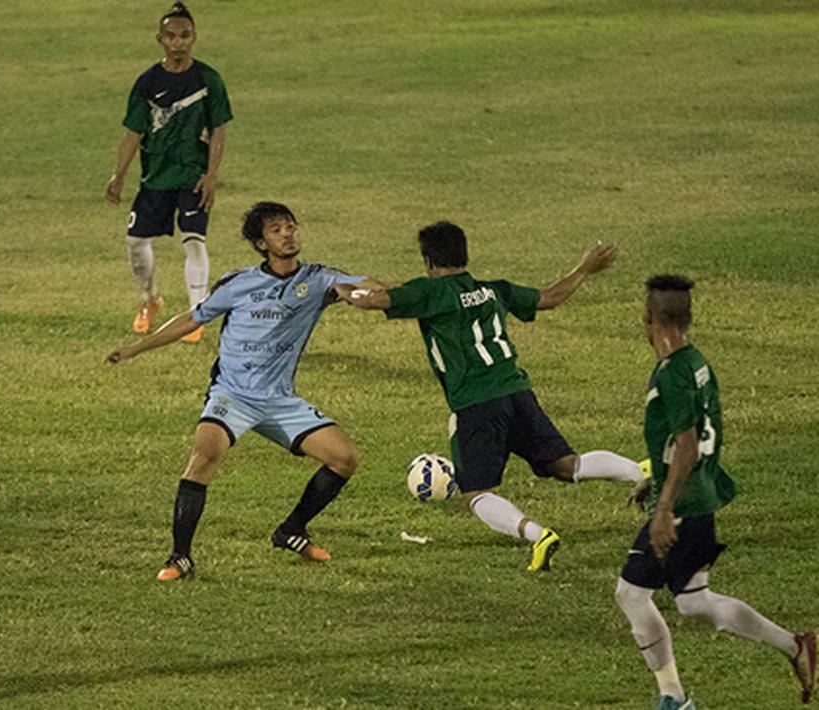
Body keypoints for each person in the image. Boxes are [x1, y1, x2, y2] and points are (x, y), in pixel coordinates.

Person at [336, 221, 645, 572]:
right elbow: (550, 298)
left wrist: (337, 287)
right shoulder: (494, 290)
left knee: (476, 493)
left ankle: (538, 535)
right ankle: (640, 473)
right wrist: (585, 268)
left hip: (476, 404)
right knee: (566, 465)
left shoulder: (429, 292)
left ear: (428, 261)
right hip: (517, 394)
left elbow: (371, 300)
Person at [107, 201, 384, 581]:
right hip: (232, 395)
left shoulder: (319, 279)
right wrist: (136, 348)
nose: (287, 234)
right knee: (205, 455)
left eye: (290, 226)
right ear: (260, 243)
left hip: (280, 400)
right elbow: (191, 319)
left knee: (344, 458)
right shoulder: (237, 284)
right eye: (276, 230)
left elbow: (368, 286)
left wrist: (374, 293)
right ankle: (179, 557)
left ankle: (291, 530)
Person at [614, 275, 814, 710]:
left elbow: (687, 444)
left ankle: (673, 698)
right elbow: (697, 438)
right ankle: (796, 646)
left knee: (631, 594)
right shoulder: (697, 363)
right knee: (693, 601)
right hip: (698, 494)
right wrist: (658, 478)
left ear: (649, 319)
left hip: (683, 506)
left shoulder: (671, 373)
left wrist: (664, 507)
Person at [105, 2, 233, 343]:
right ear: (160, 39)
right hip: (157, 177)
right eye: (172, 36)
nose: (178, 42)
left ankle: (196, 315)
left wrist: (212, 174)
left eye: (185, 35)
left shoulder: (208, 79)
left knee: (194, 240)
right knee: (135, 242)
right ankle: (150, 299)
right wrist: (119, 175)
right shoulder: (147, 83)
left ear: (194, 37)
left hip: (193, 175)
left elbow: (219, 129)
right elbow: (133, 133)